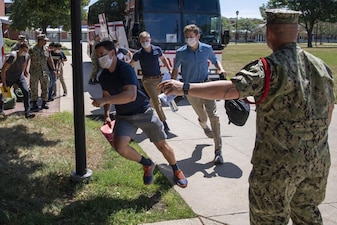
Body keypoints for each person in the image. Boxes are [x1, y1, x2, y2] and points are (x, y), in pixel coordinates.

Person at [160, 9, 335, 225]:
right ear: (298, 32)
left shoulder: (268, 67)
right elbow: (329, 111)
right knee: (307, 214)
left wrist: (183, 87)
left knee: (269, 219)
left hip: (278, 166)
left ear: (269, 34)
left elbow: (231, 90)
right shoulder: (321, 67)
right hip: (317, 161)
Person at [91, 40, 188, 188]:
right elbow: (106, 93)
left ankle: (176, 170)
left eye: (102, 54)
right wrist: (107, 115)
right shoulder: (103, 76)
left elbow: (130, 95)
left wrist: (105, 100)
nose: (99, 58)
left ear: (112, 53)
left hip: (143, 112)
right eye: (97, 56)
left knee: (162, 145)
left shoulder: (125, 69)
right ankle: (147, 164)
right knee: (120, 147)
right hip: (124, 116)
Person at [171, 24, 226, 164]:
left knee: (214, 116)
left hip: (206, 85)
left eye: (192, 36)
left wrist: (221, 70)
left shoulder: (206, 49)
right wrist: (172, 84)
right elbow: (175, 69)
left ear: (198, 36)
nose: (190, 39)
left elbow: (215, 61)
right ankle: (203, 125)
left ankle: (218, 151)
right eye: (187, 37)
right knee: (203, 117)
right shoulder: (181, 52)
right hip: (190, 89)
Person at [129, 31, 172, 131]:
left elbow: (163, 59)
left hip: (159, 79)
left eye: (147, 40)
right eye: (143, 41)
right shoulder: (139, 54)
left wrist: (169, 69)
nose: (145, 42)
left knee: (154, 99)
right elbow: (130, 64)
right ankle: (164, 123)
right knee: (156, 101)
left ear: (150, 39)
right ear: (140, 41)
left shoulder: (157, 49)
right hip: (148, 80)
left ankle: (150, 115)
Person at [1, 42, 35, 119]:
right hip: (9, 77)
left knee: (26, 92)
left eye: (27, 51)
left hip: (19, 77)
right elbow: (3, 70)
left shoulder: (26, 56)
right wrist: (4, 83)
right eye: (24, 50)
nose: (25, 52)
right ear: (19, 49)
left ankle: (27, 113)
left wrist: (23, 73)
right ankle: (0, 109)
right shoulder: (13, 56)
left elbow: (24, 64)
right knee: (4, 94)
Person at [28, 34, 57, 111]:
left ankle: (44, 102)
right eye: (44, 40)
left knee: (45, 87)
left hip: (44, 71)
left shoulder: (46, 49)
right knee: (34, 87)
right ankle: (34, 103)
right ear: (40, 40)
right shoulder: (32, 49)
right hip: (35, 71)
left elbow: (50, 60)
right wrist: (24, 69)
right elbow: (27, 59)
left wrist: (53, 70)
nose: (46, 42)